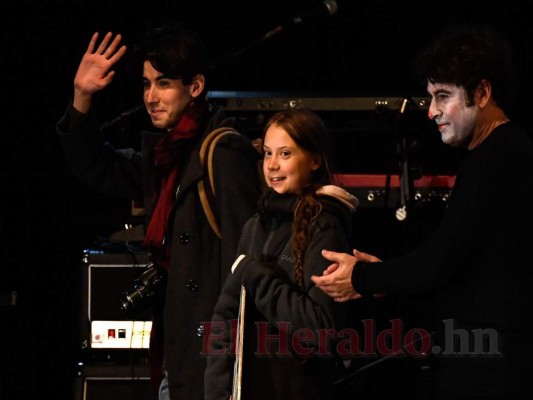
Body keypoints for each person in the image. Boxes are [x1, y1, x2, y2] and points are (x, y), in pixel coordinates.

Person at [311, 25, 533, 399]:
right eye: (430, 97)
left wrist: (365, 277)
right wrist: (380, 280)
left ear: (481, 93)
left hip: (494, 371)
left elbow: (438, 263)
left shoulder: (499, 156)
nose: (431, 112)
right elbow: (458, 272)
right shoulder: (495, 153)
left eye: (442, 96)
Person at [56, 24, 262, 400]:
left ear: (195, 86)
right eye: (147, 84)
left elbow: (245, 270)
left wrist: (226, 363)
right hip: (178, 351)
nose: (151, 96)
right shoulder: (168, 156)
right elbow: (97, 167)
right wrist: (81, 96)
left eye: (163, 83)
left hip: (212, 362)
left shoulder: (223, 152)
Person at [203, 107, 359, 400]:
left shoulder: (325, 226)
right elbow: (227, 314)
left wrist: (256, 276)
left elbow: (319, 330)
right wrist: (217, 390)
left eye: (285, 154)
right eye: (267, 153)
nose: (272, 165)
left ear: (314, 161)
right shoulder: (255, 225)